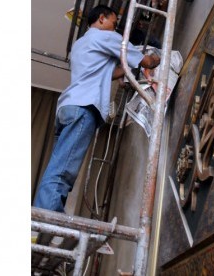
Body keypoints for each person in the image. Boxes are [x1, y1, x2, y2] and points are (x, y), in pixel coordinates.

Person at [33, 5, 161, 213]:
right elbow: (146, 61)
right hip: (84, 107)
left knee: (59, 165)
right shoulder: (106, 36)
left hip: (67, 108)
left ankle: (50, 213)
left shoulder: (80, 44)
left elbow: (107, 74)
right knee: (63, 170)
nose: (116, 28)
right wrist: (157, 57)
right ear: (102, 19)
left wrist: (127, 71)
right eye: (114, 22)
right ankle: (44, 219)